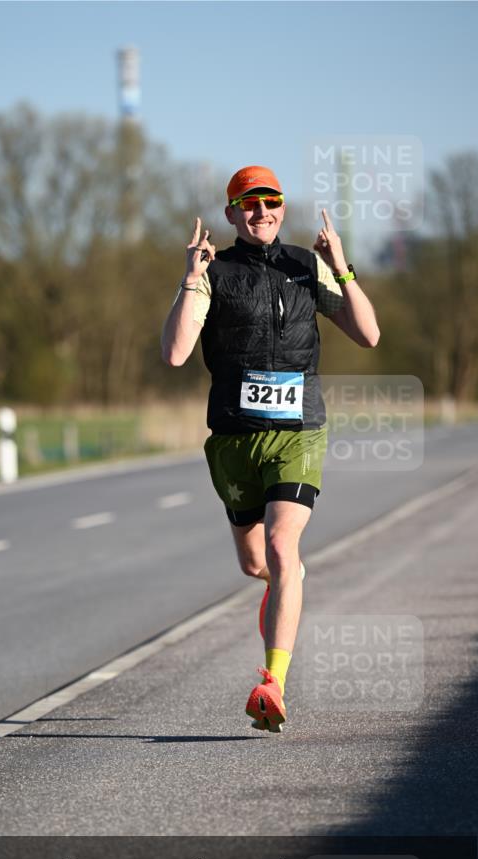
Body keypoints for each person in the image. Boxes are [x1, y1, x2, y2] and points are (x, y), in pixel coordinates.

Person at [161, 165, 380, 732]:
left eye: (272, 203)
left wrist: (342, 269)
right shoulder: (217, 271)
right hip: (234, 438)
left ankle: (272, 681)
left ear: (283, 209)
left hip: (298, 432)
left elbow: (369, 333)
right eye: (249, 205)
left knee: (283, 547)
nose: (262, 213)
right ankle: (288, 586)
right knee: (256, 562)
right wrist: (190, 276)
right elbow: (177, 352)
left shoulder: (306, 269)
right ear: (232, 214)